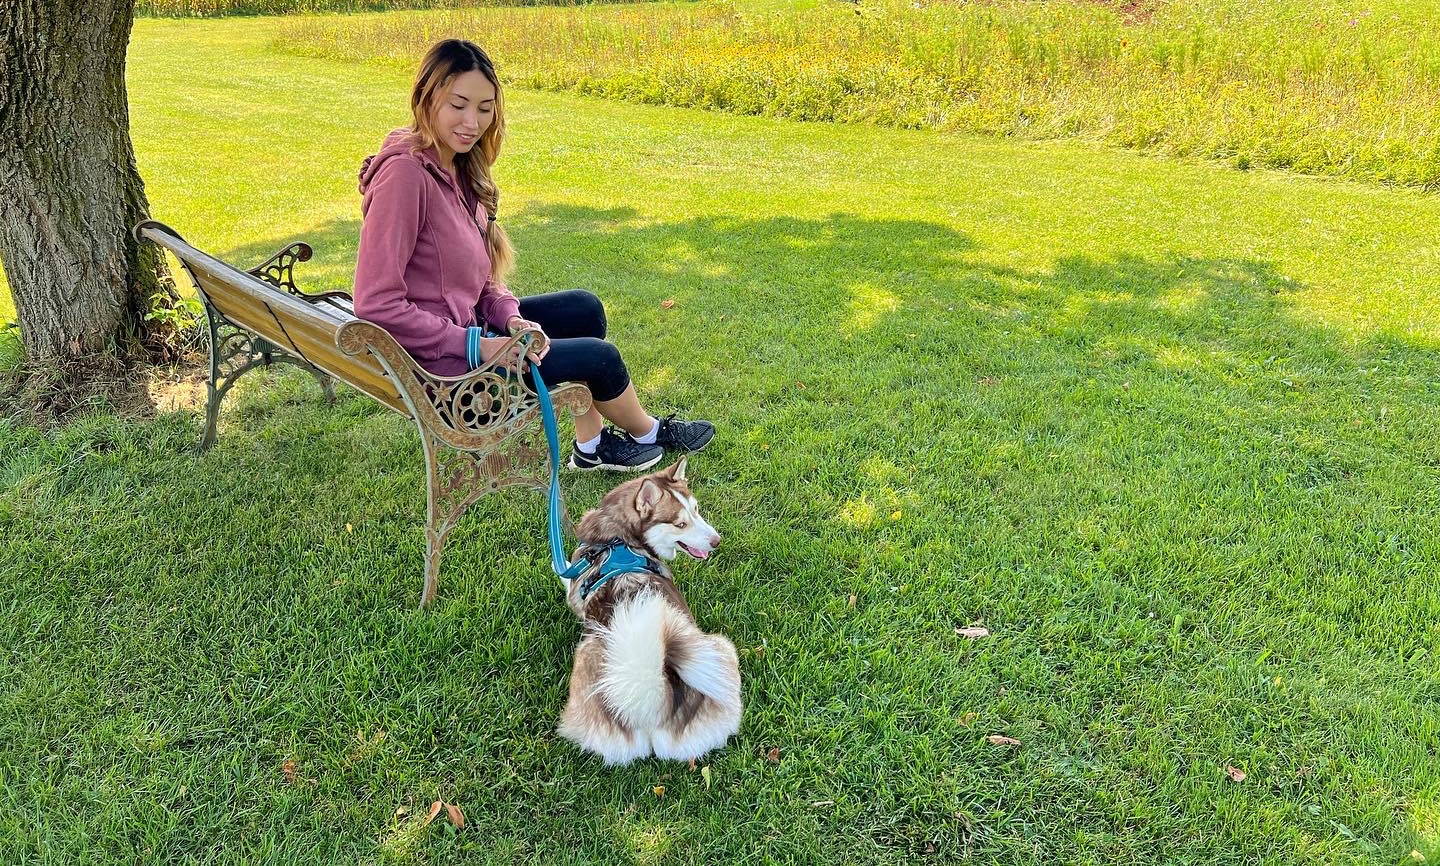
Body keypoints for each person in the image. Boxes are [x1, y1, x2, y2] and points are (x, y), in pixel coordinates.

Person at [353, 38, 713, 472]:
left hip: (469, 331)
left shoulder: (457, 166)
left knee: (583, 308)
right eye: (459, 105)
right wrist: (478, 345)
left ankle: (592, 444)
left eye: (485, 109)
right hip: (445, 371)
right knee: (601, 358)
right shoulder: (405, 177)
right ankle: (648, 431)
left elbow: (482, 282)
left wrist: (510, 318)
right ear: (427, 98)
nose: (472, 123)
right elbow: (376, 304)